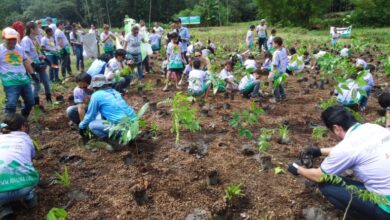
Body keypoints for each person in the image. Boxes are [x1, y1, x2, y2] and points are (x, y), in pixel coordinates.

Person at [288, 106, 390, 219]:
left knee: (327, 185)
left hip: (386, 208)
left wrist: (298, 168)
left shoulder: (346, 148)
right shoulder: (373, 127)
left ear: (336, 128)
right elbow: (359, 148)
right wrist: (319, 151)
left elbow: (318, 176)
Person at [78, 75, 137, 151]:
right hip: (134, 126)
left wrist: (81, 126)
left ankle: (115, 143)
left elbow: (90, 116)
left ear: (96, 87)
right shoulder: (115, 92)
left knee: (92, 125)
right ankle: (128, 137)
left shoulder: (96, 95)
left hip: (123, 128)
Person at [0, 114, 39, 218]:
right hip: (25, 186)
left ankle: (4, 208)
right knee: (27, 168)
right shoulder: (25, 138)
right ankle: (29, 198)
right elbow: (30, 160)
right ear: (22, 126)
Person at [0, 28, 35, 117]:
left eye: (14, 39)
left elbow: (25, 61)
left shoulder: (19, 48)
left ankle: (23, 118)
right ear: (3, 38)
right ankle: (7, 125)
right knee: (11, 105)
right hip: (10, 81)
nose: (12, 41)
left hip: (24, 80)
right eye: (9, 39)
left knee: (30, 102)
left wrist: (32, 74)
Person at [21, 22, 52, 106]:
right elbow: (25, 55)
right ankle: (36, 103)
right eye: (37, 28)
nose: (39, 29)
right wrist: (32, 63)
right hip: (32, 66)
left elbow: (38, 52)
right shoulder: (26, 40)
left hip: (39, 64)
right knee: (36, 84)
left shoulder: (35, 39)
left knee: (46, 82)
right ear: (32, 29)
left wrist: (45, 58)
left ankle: (49, 99)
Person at [269, 37, 288, 103]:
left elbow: (275, 64)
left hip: (277, 70)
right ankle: (283, 95)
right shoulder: (284, 50)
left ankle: (277, 98)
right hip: (283, 70)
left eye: (273, 43)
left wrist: (272, 73)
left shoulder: (276, 53)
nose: (272, 45)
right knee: (279, 83)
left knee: (275, 84)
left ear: (277, 44)